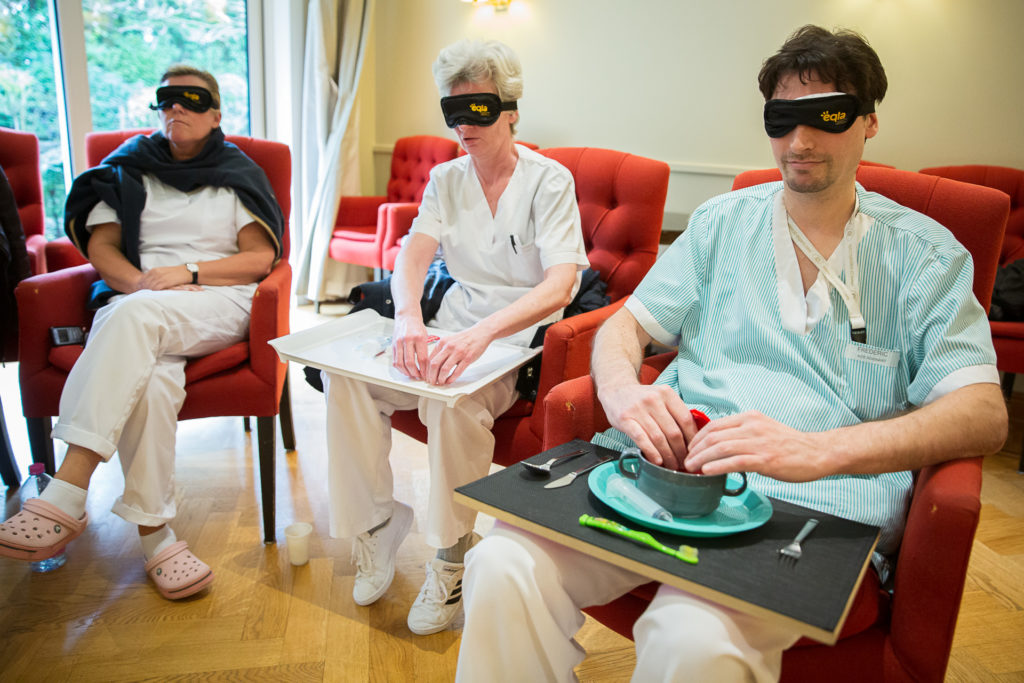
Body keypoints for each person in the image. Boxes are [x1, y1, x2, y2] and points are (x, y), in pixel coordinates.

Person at [456, 25, 1008, 681]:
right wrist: (624, 392)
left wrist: (818, 451)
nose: (800, 142)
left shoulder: (925, 256)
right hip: (665, 476)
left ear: (869, 123)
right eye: (783, 119)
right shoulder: (722, 223)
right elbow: (623, 328)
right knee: (499, 565)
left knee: (691, 637)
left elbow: (983, 413)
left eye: (828, 117)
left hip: (813, 507)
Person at [322, 39, 589, 635]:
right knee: (347, 381)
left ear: (511, 110)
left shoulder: (549, 181)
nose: (464, 125)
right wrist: (409, 319)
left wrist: (480, 337)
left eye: (479, 111)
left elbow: (560, 285)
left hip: (515, 341)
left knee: (455, 403)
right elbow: (413, 256)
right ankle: (376, 523)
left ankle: (451, 555)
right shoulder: (446, 178)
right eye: (453, 111)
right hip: (449, 324)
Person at [0, 65, 283, 600]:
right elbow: (102, 247)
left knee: (133, 318)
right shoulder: (128, 169)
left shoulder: (236, 173)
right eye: (167, 99)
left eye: (191, 100)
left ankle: (67, 487)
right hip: (140, 299)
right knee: (151, 380)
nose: (176, 108)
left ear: (216, 114)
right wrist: (137, 285)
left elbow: (258, 259)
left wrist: (187, 272)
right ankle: (156, 536)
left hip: (216, 299)